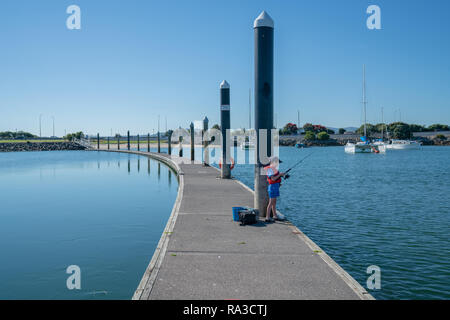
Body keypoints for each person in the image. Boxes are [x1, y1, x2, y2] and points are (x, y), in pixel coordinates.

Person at [264, 156, 285, 223]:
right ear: (273, 162)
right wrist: (280, 175)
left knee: (274, 202)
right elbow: (272, 179)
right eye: (277, 163)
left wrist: (280, 178)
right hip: (272, 187)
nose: (278, 164)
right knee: (271, 202)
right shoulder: (270, 169)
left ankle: (275, 216)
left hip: (275, 187)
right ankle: (267, 217)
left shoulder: (273, 169)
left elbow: (275, 179)